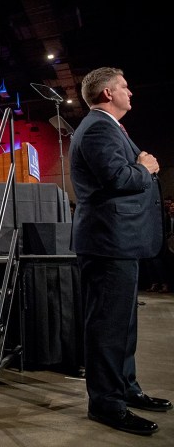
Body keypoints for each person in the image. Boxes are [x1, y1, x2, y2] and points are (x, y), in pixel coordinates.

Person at [70, 67, 171, 436]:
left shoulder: (108, 128)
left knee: (123, 325)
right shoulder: (98, 127)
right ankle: (106, 403)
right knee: (108, 328)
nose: (131, 92)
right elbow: (116, 177)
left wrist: (139, 167)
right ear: (108, 93)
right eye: (125, 86)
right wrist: (144, 168)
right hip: (108, 242)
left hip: (118, 242)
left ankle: (126, 388)